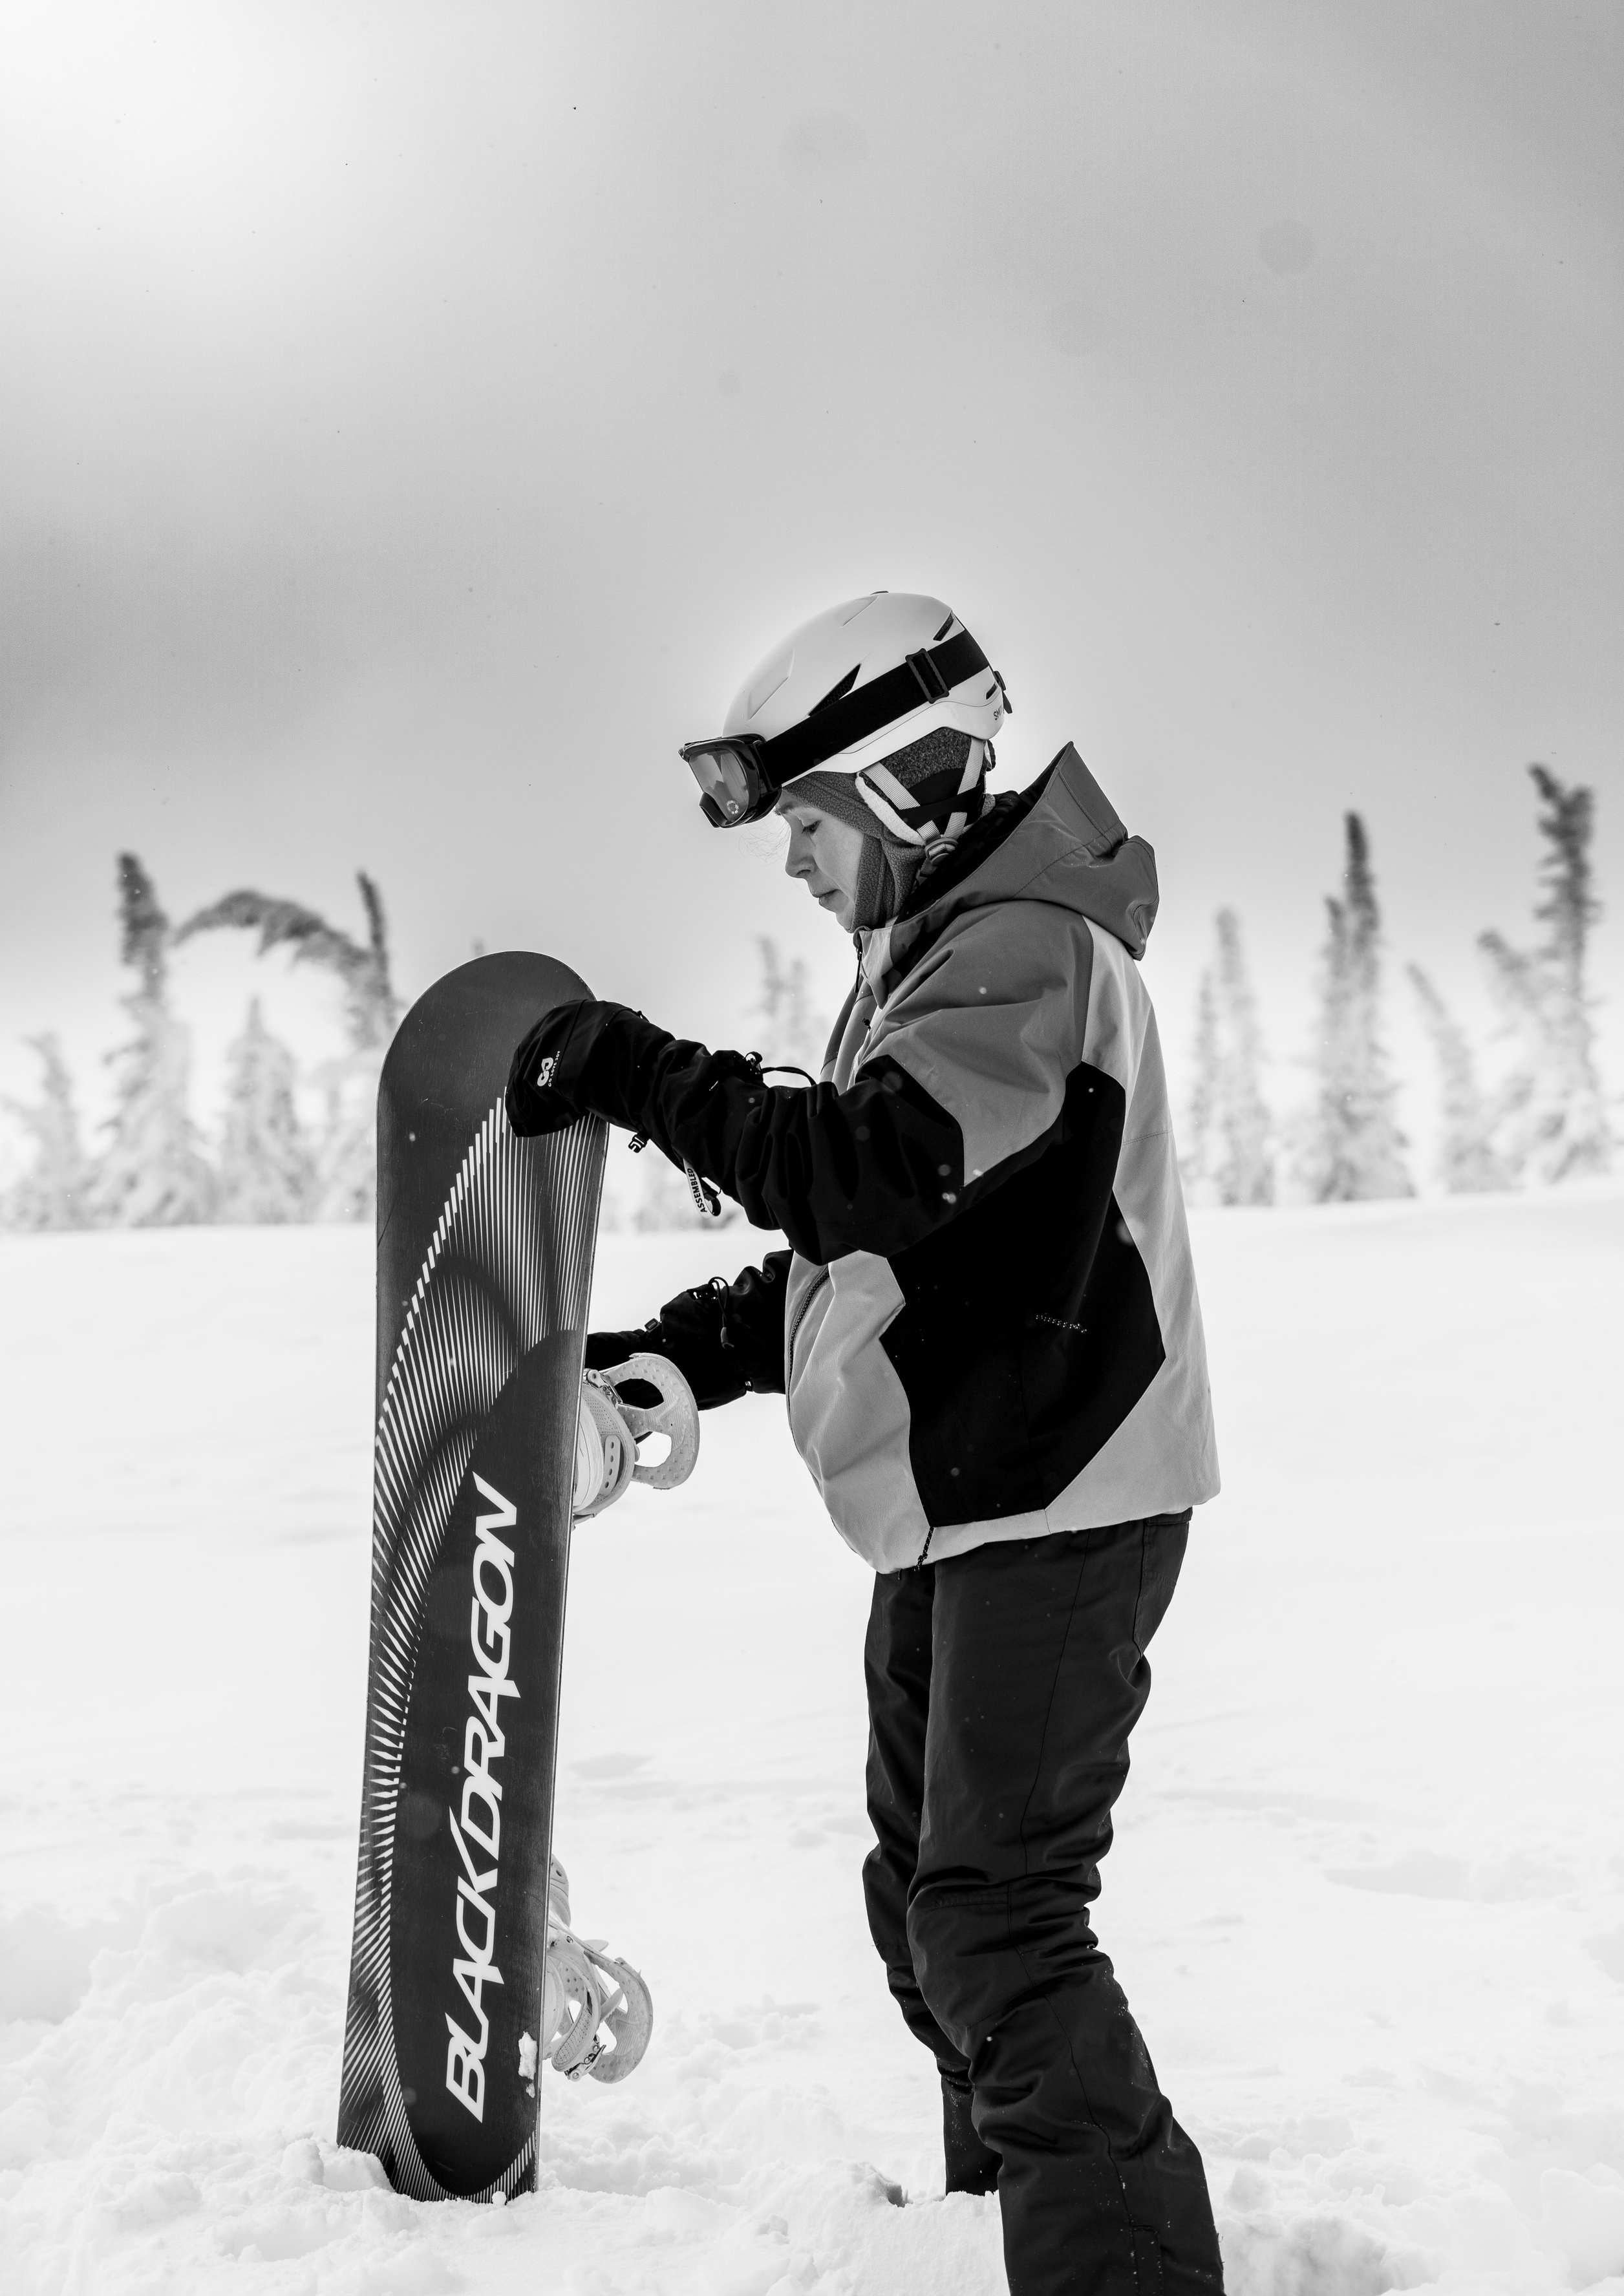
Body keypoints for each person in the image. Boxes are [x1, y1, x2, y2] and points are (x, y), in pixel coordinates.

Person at [505, 590, 1224, 2295]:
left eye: (809, 825)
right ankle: (998, 2227)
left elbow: (861, 1174)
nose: (794, 864)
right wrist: (678, 1359)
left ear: (903, 786)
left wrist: (631, 1066)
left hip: (1065, 1501)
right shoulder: (944, 961)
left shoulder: (1024, 950)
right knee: (929, 1903)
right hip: (982, 1500)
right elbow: (881, 1251)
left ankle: (1124, 2274)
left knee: (997, 1913)